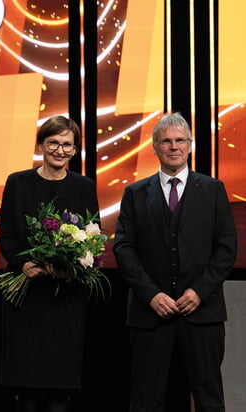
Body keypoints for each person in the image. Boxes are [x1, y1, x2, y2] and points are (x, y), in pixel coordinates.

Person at [113, 112, 237, 412]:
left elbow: (227, 247)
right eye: (166, 141)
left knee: (209, 399)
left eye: (180, 140)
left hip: (202, 312)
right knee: (145, 400)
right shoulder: (134, 193)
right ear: (155, 148)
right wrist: (151, 295)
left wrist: (199, 291)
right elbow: (124, 248)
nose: (174, 147)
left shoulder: (213, 189)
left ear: (190, 146)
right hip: (150, 314)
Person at [0, 115, 99, 412]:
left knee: (59, 392)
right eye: (53, 142)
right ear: (41, 144)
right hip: (26, 296)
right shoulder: (18, 182)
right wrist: (24, 264)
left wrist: (72, 266)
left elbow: (93, 236)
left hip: (65, 299)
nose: (60, 150)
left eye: (67, 144)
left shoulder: (84, 186)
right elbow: (6, 236)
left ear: (75, 149)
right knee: (26, 391)